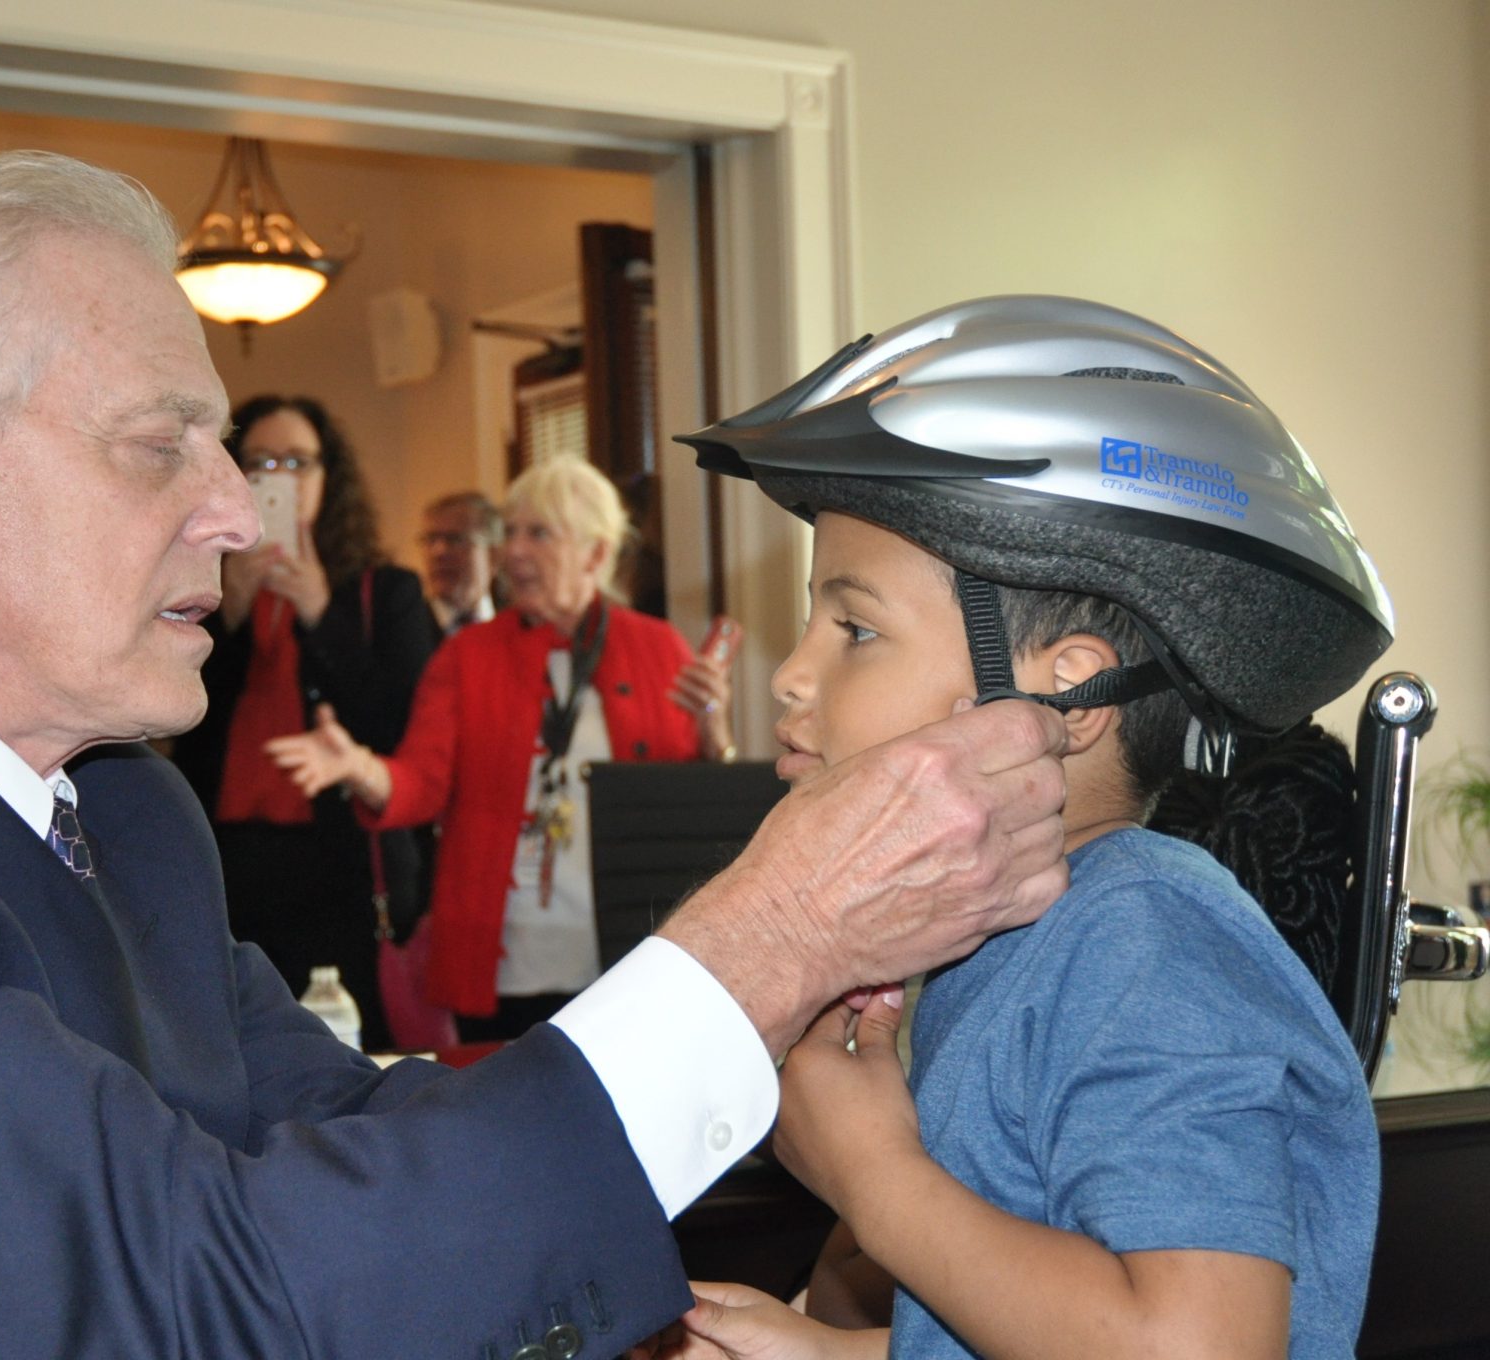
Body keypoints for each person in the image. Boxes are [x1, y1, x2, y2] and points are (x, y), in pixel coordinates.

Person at [0, 155, 1072, 1358]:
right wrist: (768, 937)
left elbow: (347, 1145)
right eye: (164, 441)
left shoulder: (120, 811)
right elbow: (199, 1305)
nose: (235, 515)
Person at [647, 295, 1391, 1359]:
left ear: (1065, 701)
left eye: (854, 628)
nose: (791, 676)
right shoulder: (1001, 948)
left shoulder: (1143, 940)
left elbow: (1195, 1345)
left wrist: (874, 1173)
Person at [269, 457, 738, 1041]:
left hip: (629, 956)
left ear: (596, 553)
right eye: (508, 532)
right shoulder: (467, 658)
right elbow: (420, 783)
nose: (513, 551)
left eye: (538, 533)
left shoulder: (659, 649)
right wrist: (360, 767)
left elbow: (692, 813)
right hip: (502, 962)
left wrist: (715, 731)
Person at [169, 394, 437, 1047]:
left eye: (299, 462)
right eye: (262, 462)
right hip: (230, 866)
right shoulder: (200, 583)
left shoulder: (386, 593)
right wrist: (228, 619)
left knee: (351, 1052)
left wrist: (321, 611)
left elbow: (400, 728)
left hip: (342, 866)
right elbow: (181, 731)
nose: (281, 479)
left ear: (327, 477)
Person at [421, 488, 502, 636]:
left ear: (493, 556)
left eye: (455, 539)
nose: (439, 552)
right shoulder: (405, 628)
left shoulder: (520, 624)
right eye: (431, 540)